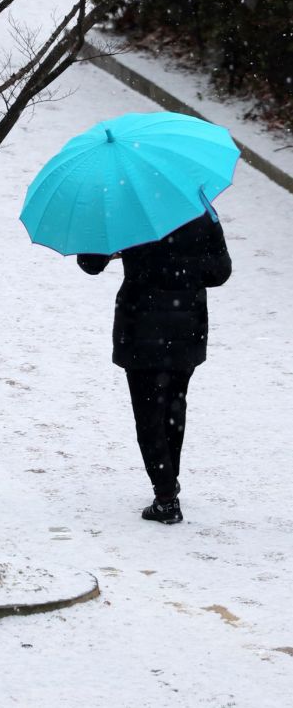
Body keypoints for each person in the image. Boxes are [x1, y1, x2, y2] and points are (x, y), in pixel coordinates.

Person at [77, 204, 232, 524]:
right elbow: (220, 272)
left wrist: (120, 249)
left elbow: (89, 263)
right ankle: (168, 480)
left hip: (141, 328)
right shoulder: (199, 209)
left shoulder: (122, 209)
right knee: (174, 405)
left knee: (149, 414)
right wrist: (184, 268)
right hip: (187, 325)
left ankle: (165, 496)